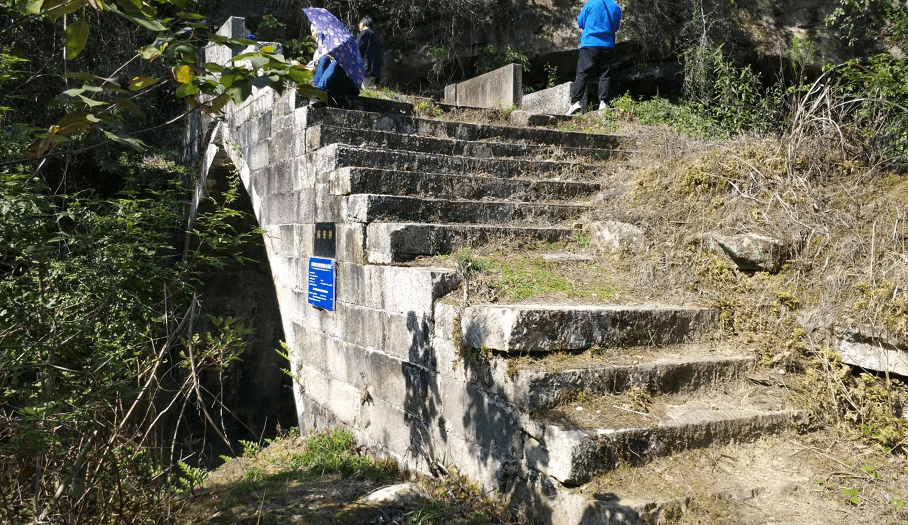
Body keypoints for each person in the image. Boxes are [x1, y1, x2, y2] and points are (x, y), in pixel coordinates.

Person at [567, 0, 621, 115]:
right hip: (607, 45)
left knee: (583, 73)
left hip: (590, 43)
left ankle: (575, 102)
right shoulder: (615, 7)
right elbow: (616, 27)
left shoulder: (590, 3)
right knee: (604, 75)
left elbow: (581, 23)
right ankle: (603, 102)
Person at [309, 25, 360, 107]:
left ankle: (319, 93)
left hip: (345, 84)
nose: (313, 34)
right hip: (329, 83)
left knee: (336, 62)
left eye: (315, 30)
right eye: (312, 31)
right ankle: (319, 92)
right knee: (324, 59)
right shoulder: (321, 49)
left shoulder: (346, 48)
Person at [356, 16, 382, 87]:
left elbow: (356, 49)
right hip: (375, 71)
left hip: (365, 70)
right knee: (370, 91)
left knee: (363, 92)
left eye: (359, 23)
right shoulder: (376, 36)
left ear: (363, 23)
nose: (358, 26)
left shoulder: (364, 33)